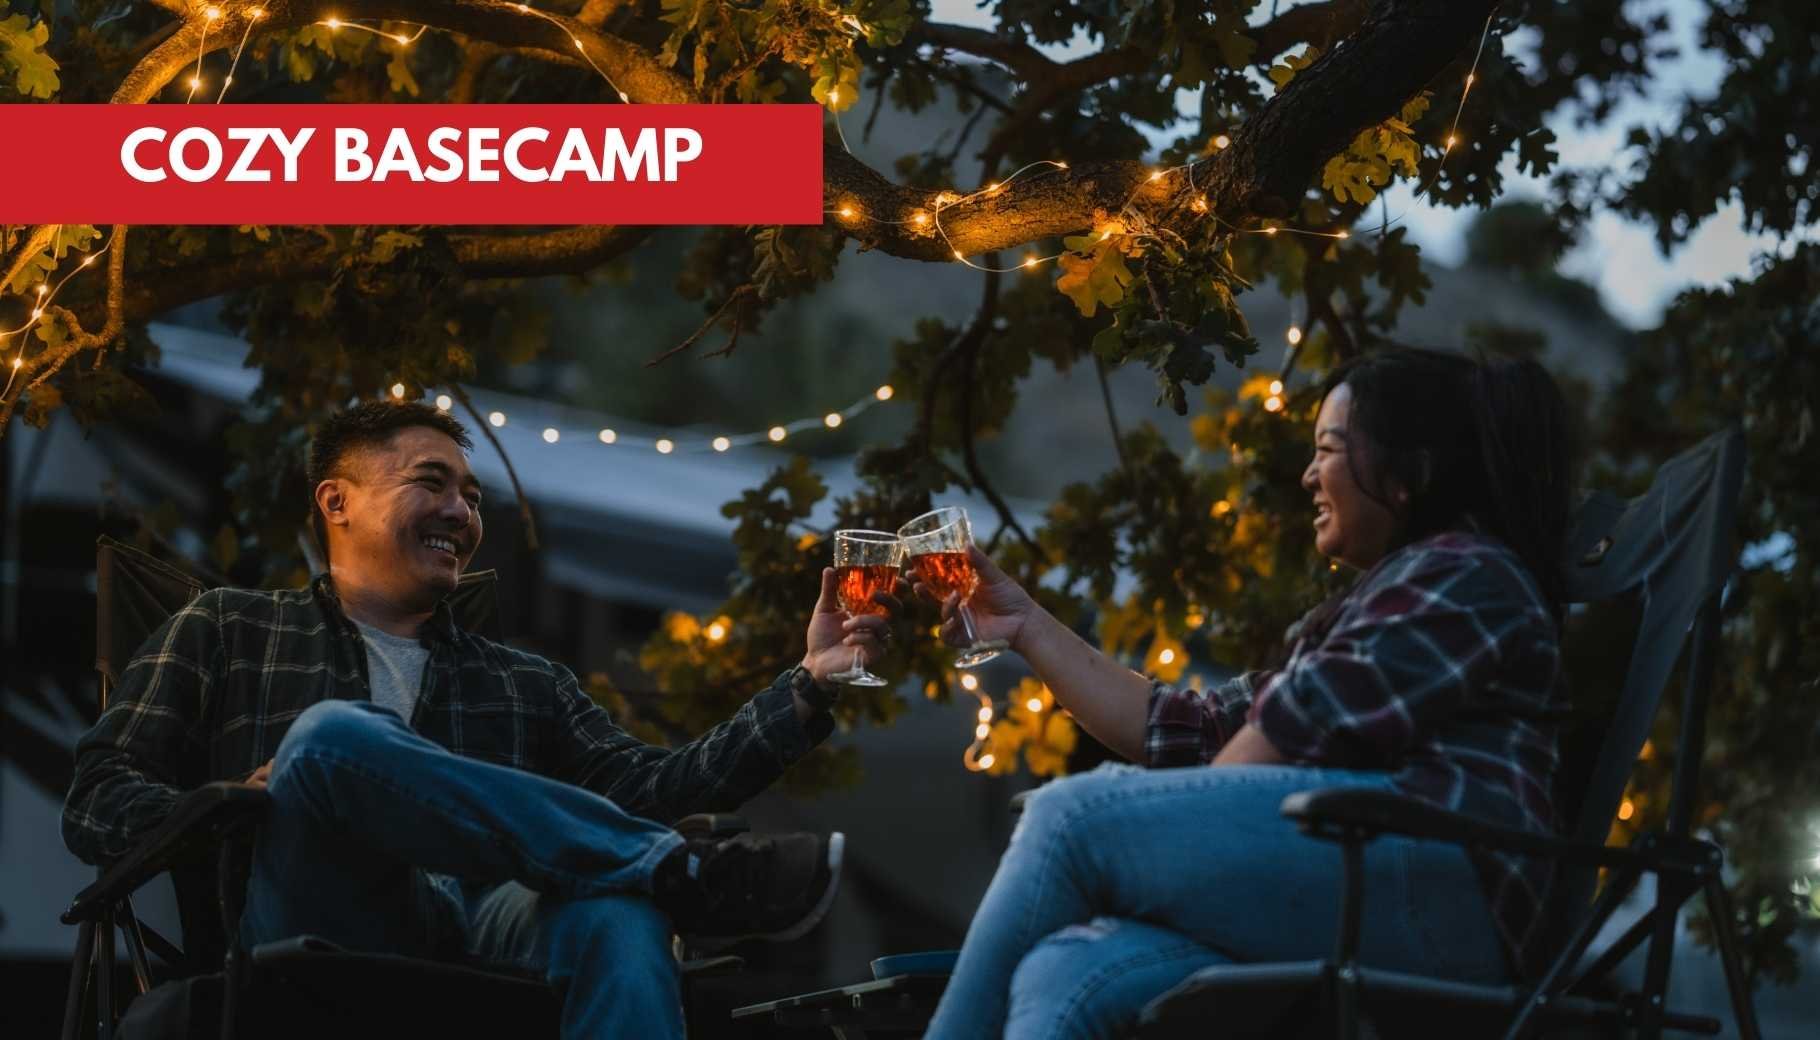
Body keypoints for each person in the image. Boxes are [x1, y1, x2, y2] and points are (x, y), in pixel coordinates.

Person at [62, 400, 896, 1039]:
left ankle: (667, 876)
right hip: (313, 921)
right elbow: (97, 793)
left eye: (471, 493)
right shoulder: (228, 630)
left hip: (486, 929)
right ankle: (674, 869)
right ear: (337, 500)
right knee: (326, 736)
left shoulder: (521, 681)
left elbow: (653, 785)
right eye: (431, 481)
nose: (462, 512)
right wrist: (226, 804)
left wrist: (810, 683)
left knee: (620, 915)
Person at [918, 348, 1576, 1040]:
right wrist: (1023, 623)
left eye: (1327, 449)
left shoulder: (1463, 574)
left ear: (1408, 472)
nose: (1307, 475)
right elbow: (1188, 729)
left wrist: (1163, 848)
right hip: (1356, 886)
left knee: (1067, 820)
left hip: (1445, 905)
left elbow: (1290, 736)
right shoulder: (1377, 605)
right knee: (1064, 972)